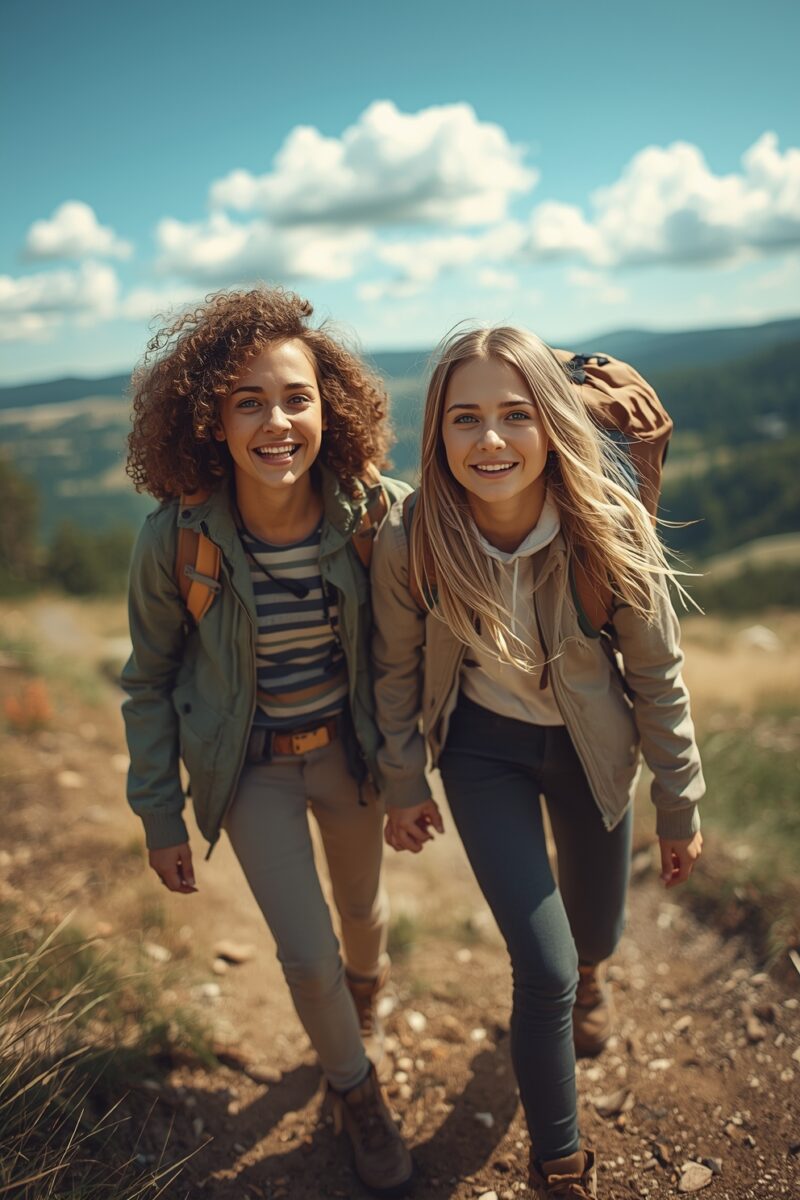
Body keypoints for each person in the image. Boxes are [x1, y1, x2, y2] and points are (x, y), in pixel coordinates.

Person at [370, 325, 704, 1200]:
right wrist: (404, 782)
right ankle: (561, 1161)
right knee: (544, 965)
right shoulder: (415, 540)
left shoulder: (607, 525)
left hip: (594, 752)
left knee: (595, 937)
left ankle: (596, 975)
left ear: (551, 424)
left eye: (515, 415)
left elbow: (658, 676)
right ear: (436, 433)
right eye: (464, 418)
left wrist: (681, 805)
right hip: (484, 756)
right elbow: (394, 670)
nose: (490, 440)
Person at [121, 287, 413, 1197]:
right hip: (252, 774)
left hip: (352, 757)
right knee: (307, 953)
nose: (276, 422)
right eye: (248, 401)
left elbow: (483, 519)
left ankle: (362, 1001)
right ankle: (355, 1091)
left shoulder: (374, 515)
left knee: (363, 922)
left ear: (332, 407)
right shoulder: (177, 536)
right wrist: (159, 813)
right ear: (211, 419)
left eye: (296, 398)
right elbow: (148, 679)